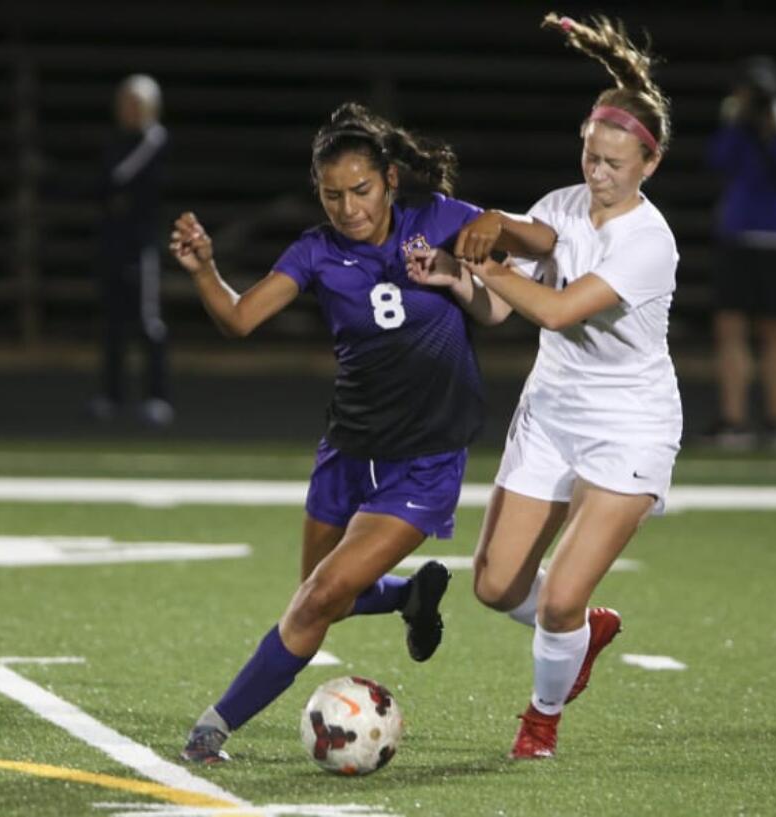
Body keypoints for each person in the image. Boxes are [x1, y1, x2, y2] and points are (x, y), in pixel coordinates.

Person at [169, 102, 496, 763]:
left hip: (423, 461)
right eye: (332, 194)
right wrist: (204, 267)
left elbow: (540, 243)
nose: (348, 207)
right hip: (347, 450)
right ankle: (408, 594)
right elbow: (239, 319)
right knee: (323, 599)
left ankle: (214, 725)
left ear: (391, 180)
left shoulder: (440, 218)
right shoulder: (315, 251)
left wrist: (499, 221)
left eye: (361, 190)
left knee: (320, 597)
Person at [407, 13, 680, 759]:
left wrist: (490, 252)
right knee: (495, 586)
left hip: (628, 424)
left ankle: (540, 720)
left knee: (560, 594)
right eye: (591, 155)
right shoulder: (562, 206)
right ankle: (583, 634)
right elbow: (499, 307)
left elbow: (556, 309)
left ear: (648, 165)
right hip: (552, 411)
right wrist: (457, 277)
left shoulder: (648, 241)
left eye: (616, 162)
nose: (598, 171)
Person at [705, 56, 776, 453]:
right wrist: (738, 123)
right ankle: (733, 422)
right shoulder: (737, 124)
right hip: (737, 234)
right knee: (730, 326)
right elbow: (718, 160)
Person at [90, 74, 174, 427]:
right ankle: (111, 395)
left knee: (148, 322)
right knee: (113, 322)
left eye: (136, 104)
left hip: (143, 248)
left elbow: (114, 181)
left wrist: (113, 193)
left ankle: (158, 397)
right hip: (114, 244)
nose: (128, 111)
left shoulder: (153, 141)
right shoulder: (117, 141)